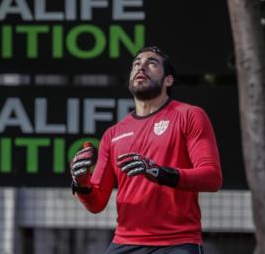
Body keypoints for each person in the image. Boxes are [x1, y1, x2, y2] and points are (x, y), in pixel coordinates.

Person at [70, 46, 222, 254]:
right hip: (125, 242)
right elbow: (96, 203)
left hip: (176, 242)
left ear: (168, 80)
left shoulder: (190, 115)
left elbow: (212, 177)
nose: (141, 67)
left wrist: (159, 172)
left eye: (151, 63)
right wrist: (81, 183)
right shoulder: (113, 134)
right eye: (136, 64)